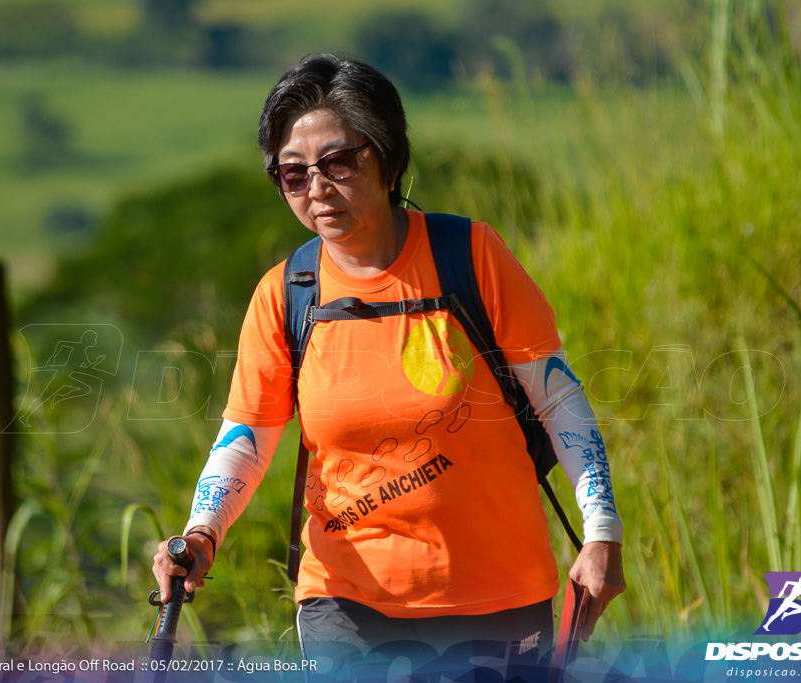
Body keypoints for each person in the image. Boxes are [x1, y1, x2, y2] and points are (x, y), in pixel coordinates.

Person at [152, 54, 625, 681]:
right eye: (292, 174)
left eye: (338, 162)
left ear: (389, 158)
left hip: (501, 599)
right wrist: (200, 533)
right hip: (345, 607)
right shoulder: (286, 293)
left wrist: (602, 531)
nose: (316, 188)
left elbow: (557, 399)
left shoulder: (472, 257)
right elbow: (246, 439)